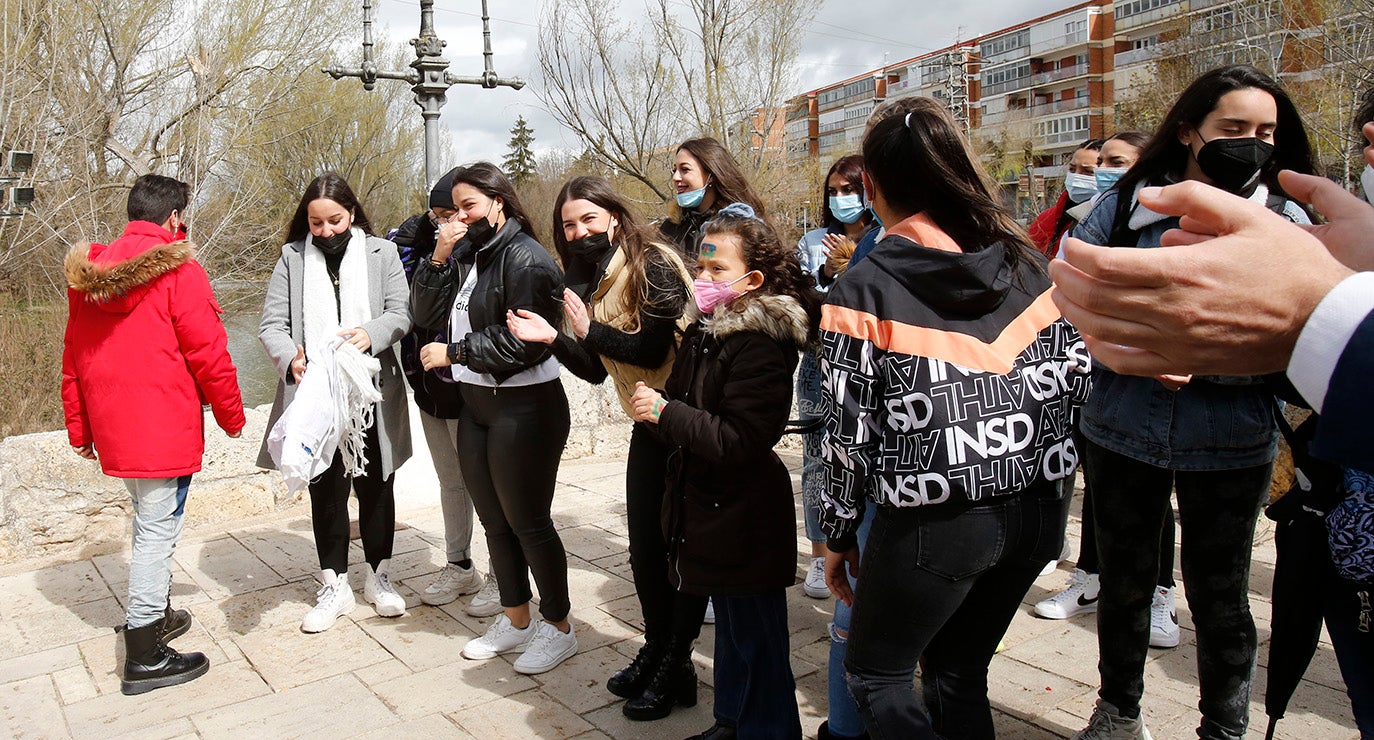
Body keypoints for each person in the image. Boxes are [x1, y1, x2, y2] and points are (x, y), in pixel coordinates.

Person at [819, 96, 1090, 739]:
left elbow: (847, 434)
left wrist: (835, 534)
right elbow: (1076, 382)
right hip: (1040, 511)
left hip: (937, 521)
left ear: (876, 185)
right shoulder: (1030, 263)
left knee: (878, 675)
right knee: (959, 673)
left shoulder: (863, 289)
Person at [1062, 65, 1317, 740]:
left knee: (1220, 593)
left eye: (1266, 132)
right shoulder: (1125, 204)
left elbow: (1309, 333)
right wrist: (1136, 345)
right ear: (1188, 132)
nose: (1252, 145)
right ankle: (1118, 711)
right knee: (1124, 580)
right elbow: (1076, 292)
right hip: (1121, 427)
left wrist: (1211, 361)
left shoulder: (1288, 220)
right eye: (1233, 129)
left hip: (1230, 436)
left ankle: (1223, 726)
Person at [505, 174, 697, 719]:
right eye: (568, 225)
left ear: (614, 216)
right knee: (643, 552)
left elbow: (652, 347)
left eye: (589, 219)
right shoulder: (592, 276)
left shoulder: (652, 262)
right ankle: (659, 650)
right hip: (649, 425)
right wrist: (555, 339)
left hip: (683, 422)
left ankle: (677, 666)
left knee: (676, 554)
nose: (579, 231)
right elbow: (595, 371)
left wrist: (587, 332)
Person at [629, 201, 817, 740]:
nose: (704, 278)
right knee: (732, 636)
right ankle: (731, 722)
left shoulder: (758, 342)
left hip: (743, 515)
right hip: (710, 508)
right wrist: (664, 404)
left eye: (718, 270)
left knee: (757, 641)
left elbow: (741, 438)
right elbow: (693, 403)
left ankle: (768, 730)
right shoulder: (709, 330)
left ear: (752, 279)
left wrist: (668, 413)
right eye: (701, 267)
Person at [62, 174, 245, 694]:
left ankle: (155, 613)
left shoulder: (90, 276)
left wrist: (80, 428)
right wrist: (233, 417)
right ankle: (145, 650)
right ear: (173, 219)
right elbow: (208, 351)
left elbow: (72, 357)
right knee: (155, 533)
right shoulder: (180, 272)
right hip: (163, 427)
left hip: (117, 430)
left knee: (146, 521)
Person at [413, 162, 577, 676]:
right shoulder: (468, 255)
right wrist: (439, 256)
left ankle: (558, 628)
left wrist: (455, 352)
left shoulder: (526, 260)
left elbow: (525, 344)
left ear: (498, 203)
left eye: (469, 206)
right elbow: (422, 313)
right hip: (478, 407)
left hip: (525, 408)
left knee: (529, 523)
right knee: (495, 523)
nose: (459, 218)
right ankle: (516, 618)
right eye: (452, 210)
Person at [1034, 131, 1180, 650]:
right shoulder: (1070, 220)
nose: (1092, 173)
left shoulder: (1157, 224)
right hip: (1072, 371)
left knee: (1151, 495)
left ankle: (1161, 592)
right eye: (1086, 165)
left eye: (1111, 162)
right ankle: (1090, 578)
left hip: (1137, 378)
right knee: (1096, 484)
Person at [258, 172, 412, 633]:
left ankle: (379, 579)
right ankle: (334, 584)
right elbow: (272, 325)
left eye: (335, 221)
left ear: (352, 214)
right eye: (316, 223)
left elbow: (401, 312)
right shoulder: (291, 258)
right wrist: (292, 360)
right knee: (325, 488)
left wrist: (372, 333)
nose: (326, 232)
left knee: (375, 485)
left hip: (371, 390)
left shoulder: (381, 253)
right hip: (315, 392)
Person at [390, 168, 497, 617]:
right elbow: (411, 307)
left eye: (456, 213)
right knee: (451, 481)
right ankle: (459, 564)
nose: (448, 224)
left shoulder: (490, 251)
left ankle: (503, 575)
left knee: (490, 485)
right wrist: (426, 249)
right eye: (438, 215)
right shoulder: (419, 248)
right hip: (430, 383)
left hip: (478, 384)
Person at [794, 154, 876, 602]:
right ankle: (817, 552)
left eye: (851, 189)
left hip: (867, 369)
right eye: (835, 191)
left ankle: (858, 545)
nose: (842, 199)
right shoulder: (812, 242)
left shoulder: (885, 239)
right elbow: (800, 301)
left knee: (861, 460)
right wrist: (826, 274)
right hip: (817, 364)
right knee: (815, 465)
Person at [659, 137, 767, 260]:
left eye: (685, 169)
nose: (676, 177)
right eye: (675, 170)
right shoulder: (670, 228)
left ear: (711, 175)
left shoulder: (739, 229)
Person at [1029, 138, 1103, 256]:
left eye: (1088, 171)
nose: (1076, 177)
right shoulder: (1046, 219)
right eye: (1072, 169)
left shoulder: (1110, 222)